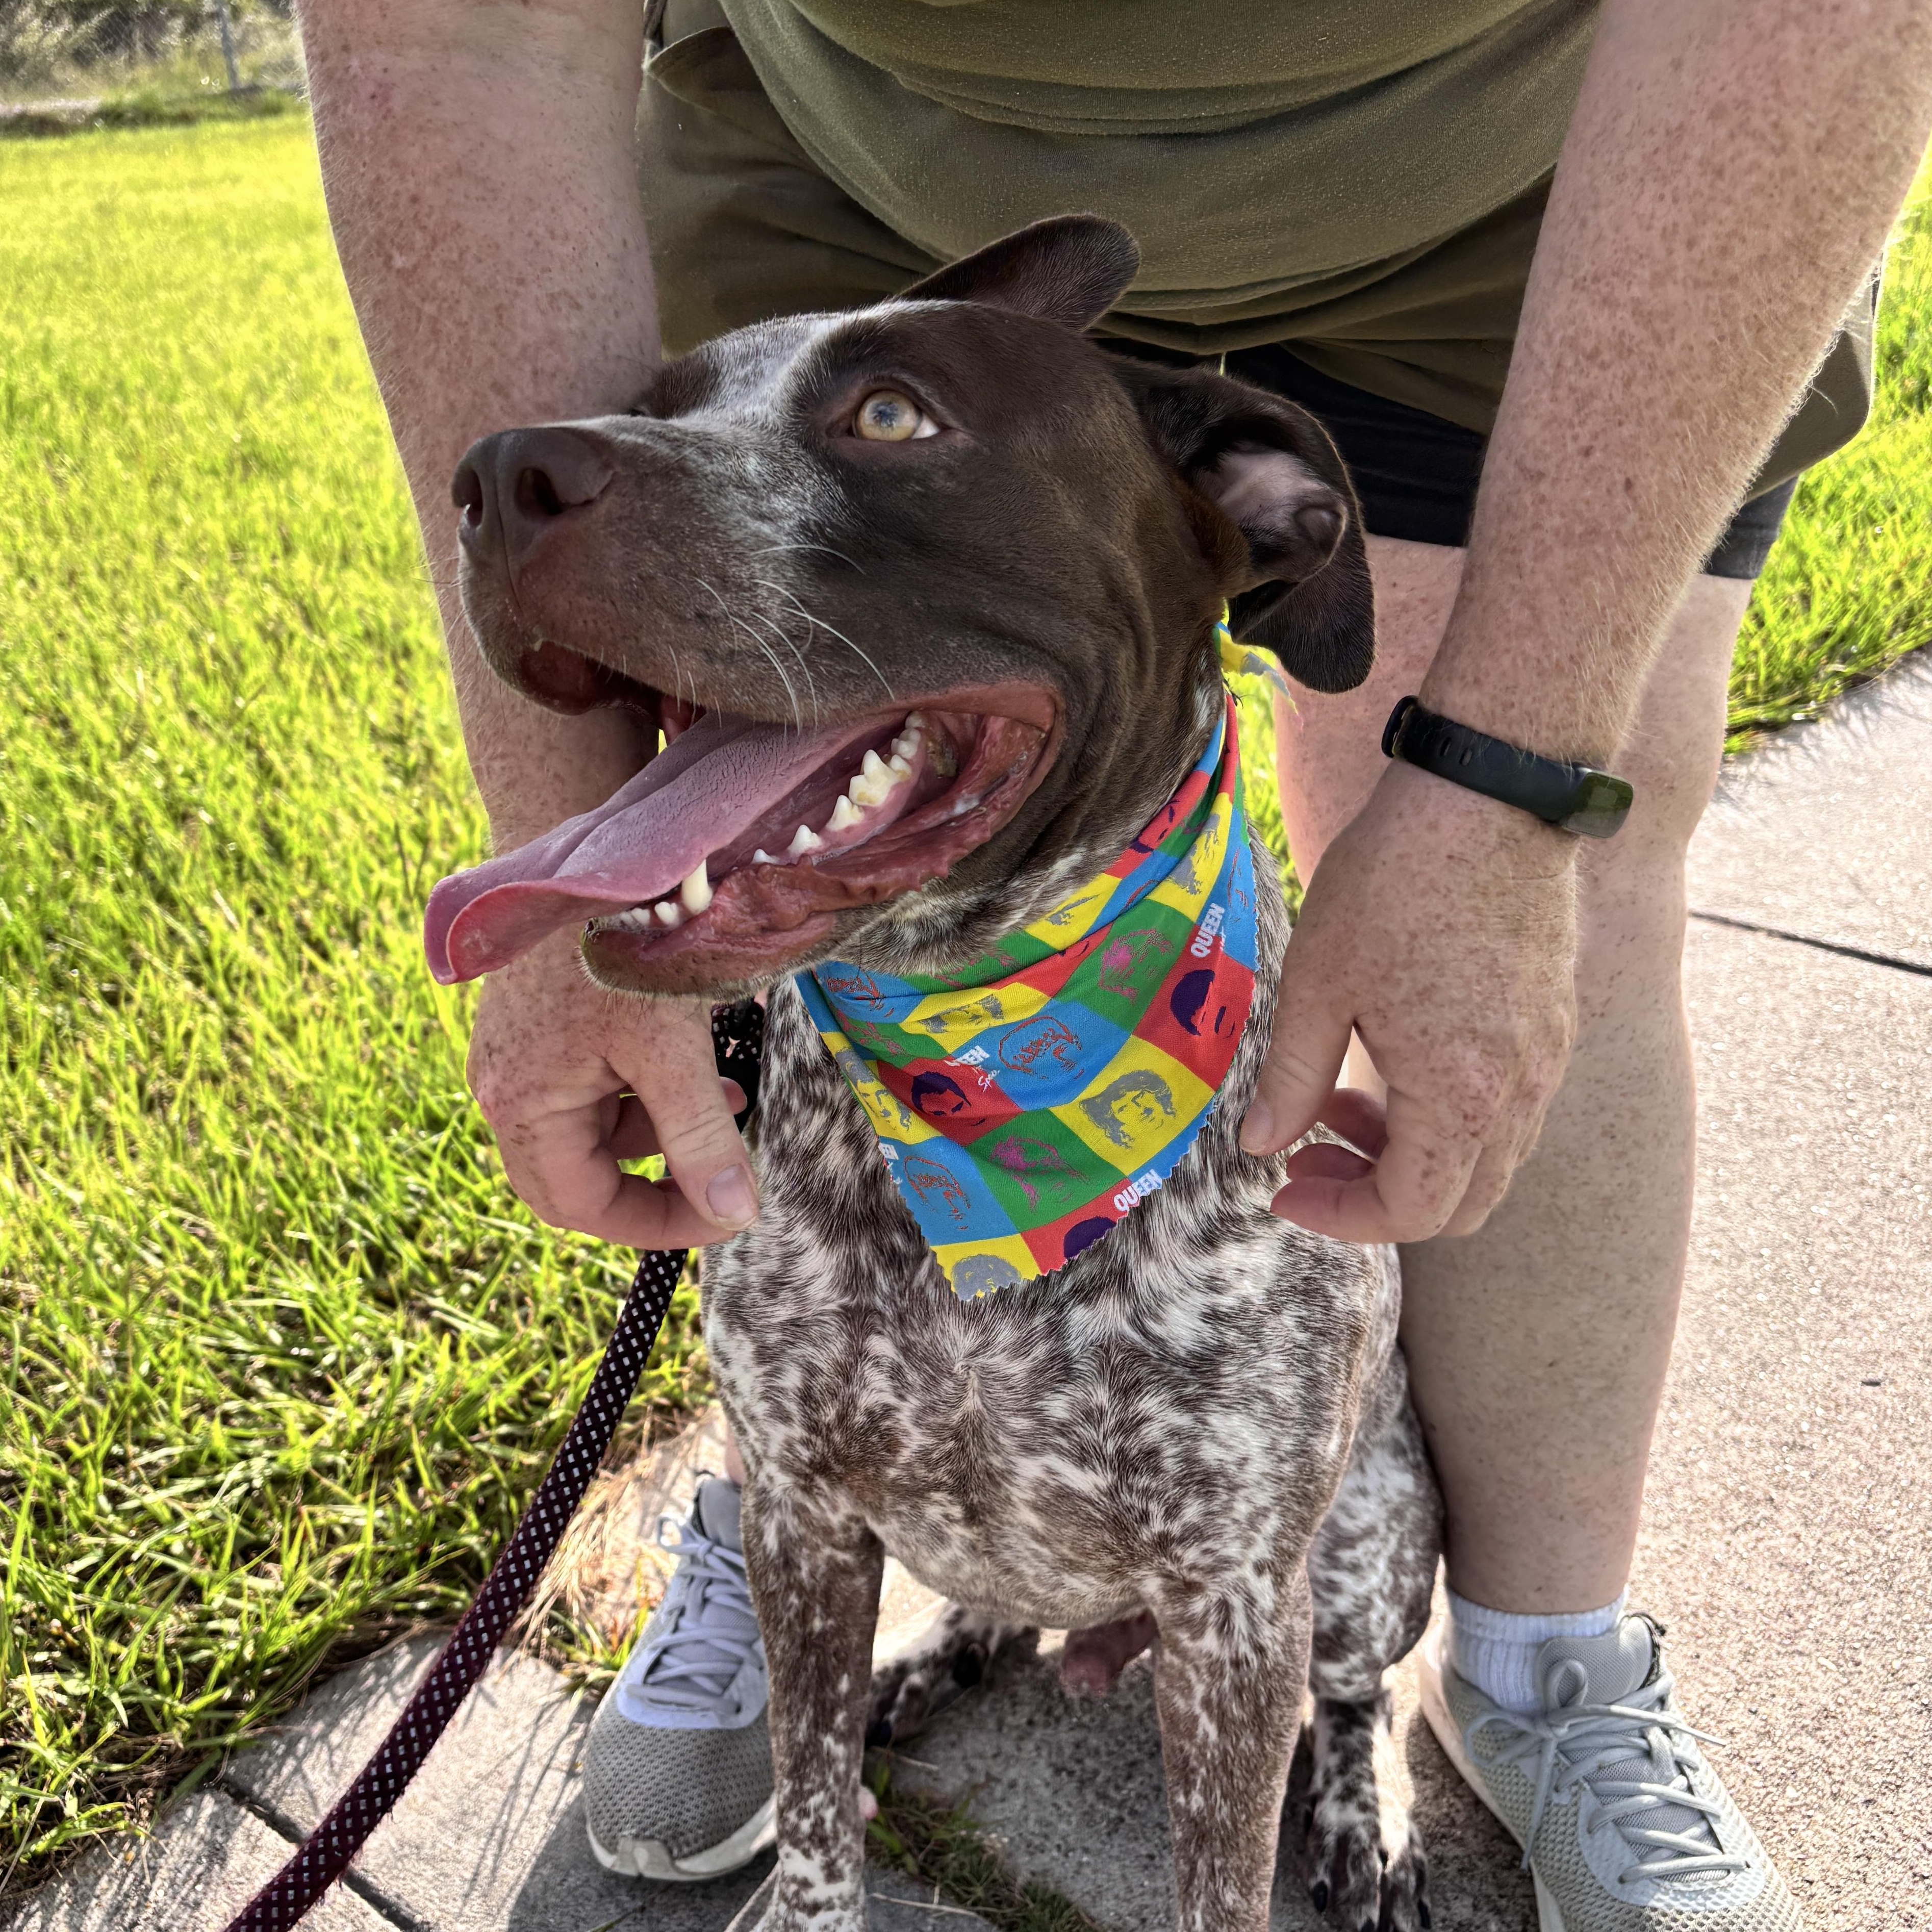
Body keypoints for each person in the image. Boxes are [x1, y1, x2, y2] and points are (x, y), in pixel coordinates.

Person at [298, 0, 1932, 1917]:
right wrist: (576, 867)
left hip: (1535, 170)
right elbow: (449, 38)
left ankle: (1532, 1667)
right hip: (853, 165)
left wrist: (1499, 785)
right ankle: (786, 1519)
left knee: (1570, 871)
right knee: (787, 788)